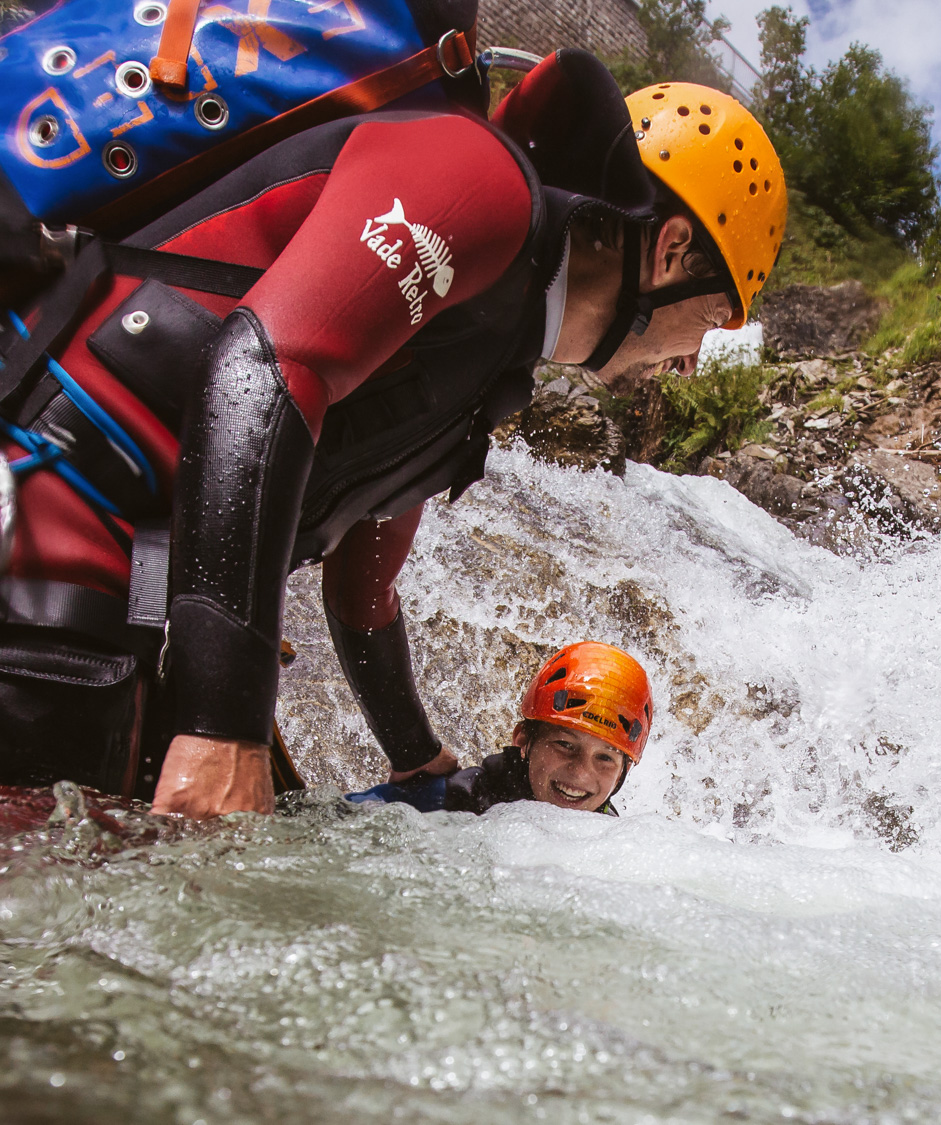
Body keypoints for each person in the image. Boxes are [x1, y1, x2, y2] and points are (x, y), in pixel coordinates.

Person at [0, 52, 787, 819]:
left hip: (125, 606)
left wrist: (415, 754)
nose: (692, 363)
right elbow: (267, 365)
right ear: (672, 248)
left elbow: (362, 588)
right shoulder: (474, 178)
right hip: (52, 523)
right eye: (715, 320)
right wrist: (222, 727)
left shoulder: (489, 363)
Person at [349, 642, 652, 815]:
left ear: (623, 773)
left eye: (605, 758)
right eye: (565, 744)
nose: (581, 773)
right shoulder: (454, 800)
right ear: (523, 739)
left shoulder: (610, 836)